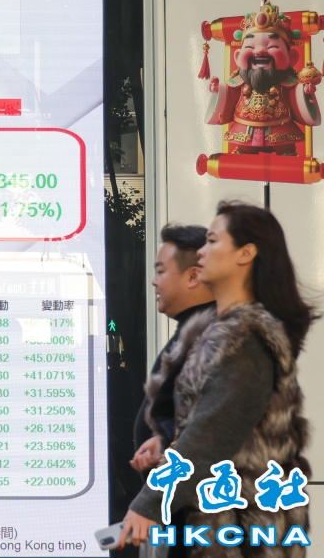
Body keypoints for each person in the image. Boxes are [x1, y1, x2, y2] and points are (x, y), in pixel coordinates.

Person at [119, 202, 314, 556]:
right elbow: (217, 425)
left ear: (245, 253)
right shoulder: (220, 333)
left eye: (212, 241)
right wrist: (167, 443)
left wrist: (149, 503)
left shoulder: (245, 337)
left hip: (240, 533)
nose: (201, 252)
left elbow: (212, 433)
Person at [131, 224, 215, 475]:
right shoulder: (192, 331)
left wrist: (167, 448)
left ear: (193, 276)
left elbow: (210, 426)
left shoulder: (216, 338)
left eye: (160, 271)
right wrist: (163, 442)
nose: (154, 281)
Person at [206, 1, 320, 156]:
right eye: (250, 47)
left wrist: (305, 91)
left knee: (286, 152)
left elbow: (298, 99)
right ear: (237, 57)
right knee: (243, 154)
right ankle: (243, 152)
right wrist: (217, 91)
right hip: (244, 130)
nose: (259, 52)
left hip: (281, 130)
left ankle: (286, 152)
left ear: (291, 58)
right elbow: (228, 95)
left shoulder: (288, 83)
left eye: (272, 46)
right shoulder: (238, 82)